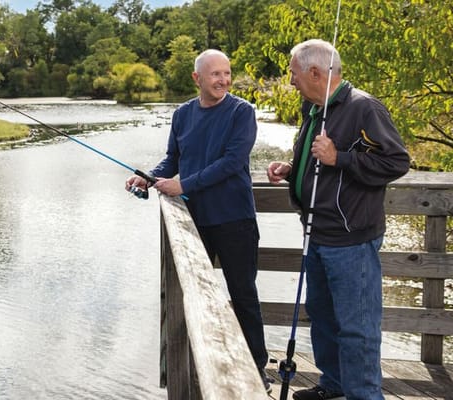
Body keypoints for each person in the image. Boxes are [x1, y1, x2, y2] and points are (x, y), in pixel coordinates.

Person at [267, 39, 410, 400]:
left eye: (294, 73)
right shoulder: (313, 106)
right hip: (316, 233)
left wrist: (340, 158)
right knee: (323, 318)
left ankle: (363, 395)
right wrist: (292, 169)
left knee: (357, 329)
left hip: (351, 240)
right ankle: (334, 385)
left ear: (316, 72)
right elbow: (316, 157)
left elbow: (396, 162)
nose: (291, 80)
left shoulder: (365, 109)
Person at [125, 49, 271, 391]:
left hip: (235, 220)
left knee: (243, 295)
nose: (223, 80)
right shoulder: (182, 114)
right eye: (215, 74)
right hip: (193, 224)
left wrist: (184, 185)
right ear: (197, 79)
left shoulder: (241, 112)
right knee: (193, 296)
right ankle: (198, 365)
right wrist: (147, 177)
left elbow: (232, 163)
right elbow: (173, 159)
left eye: (227, 73)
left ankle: (257, 367)